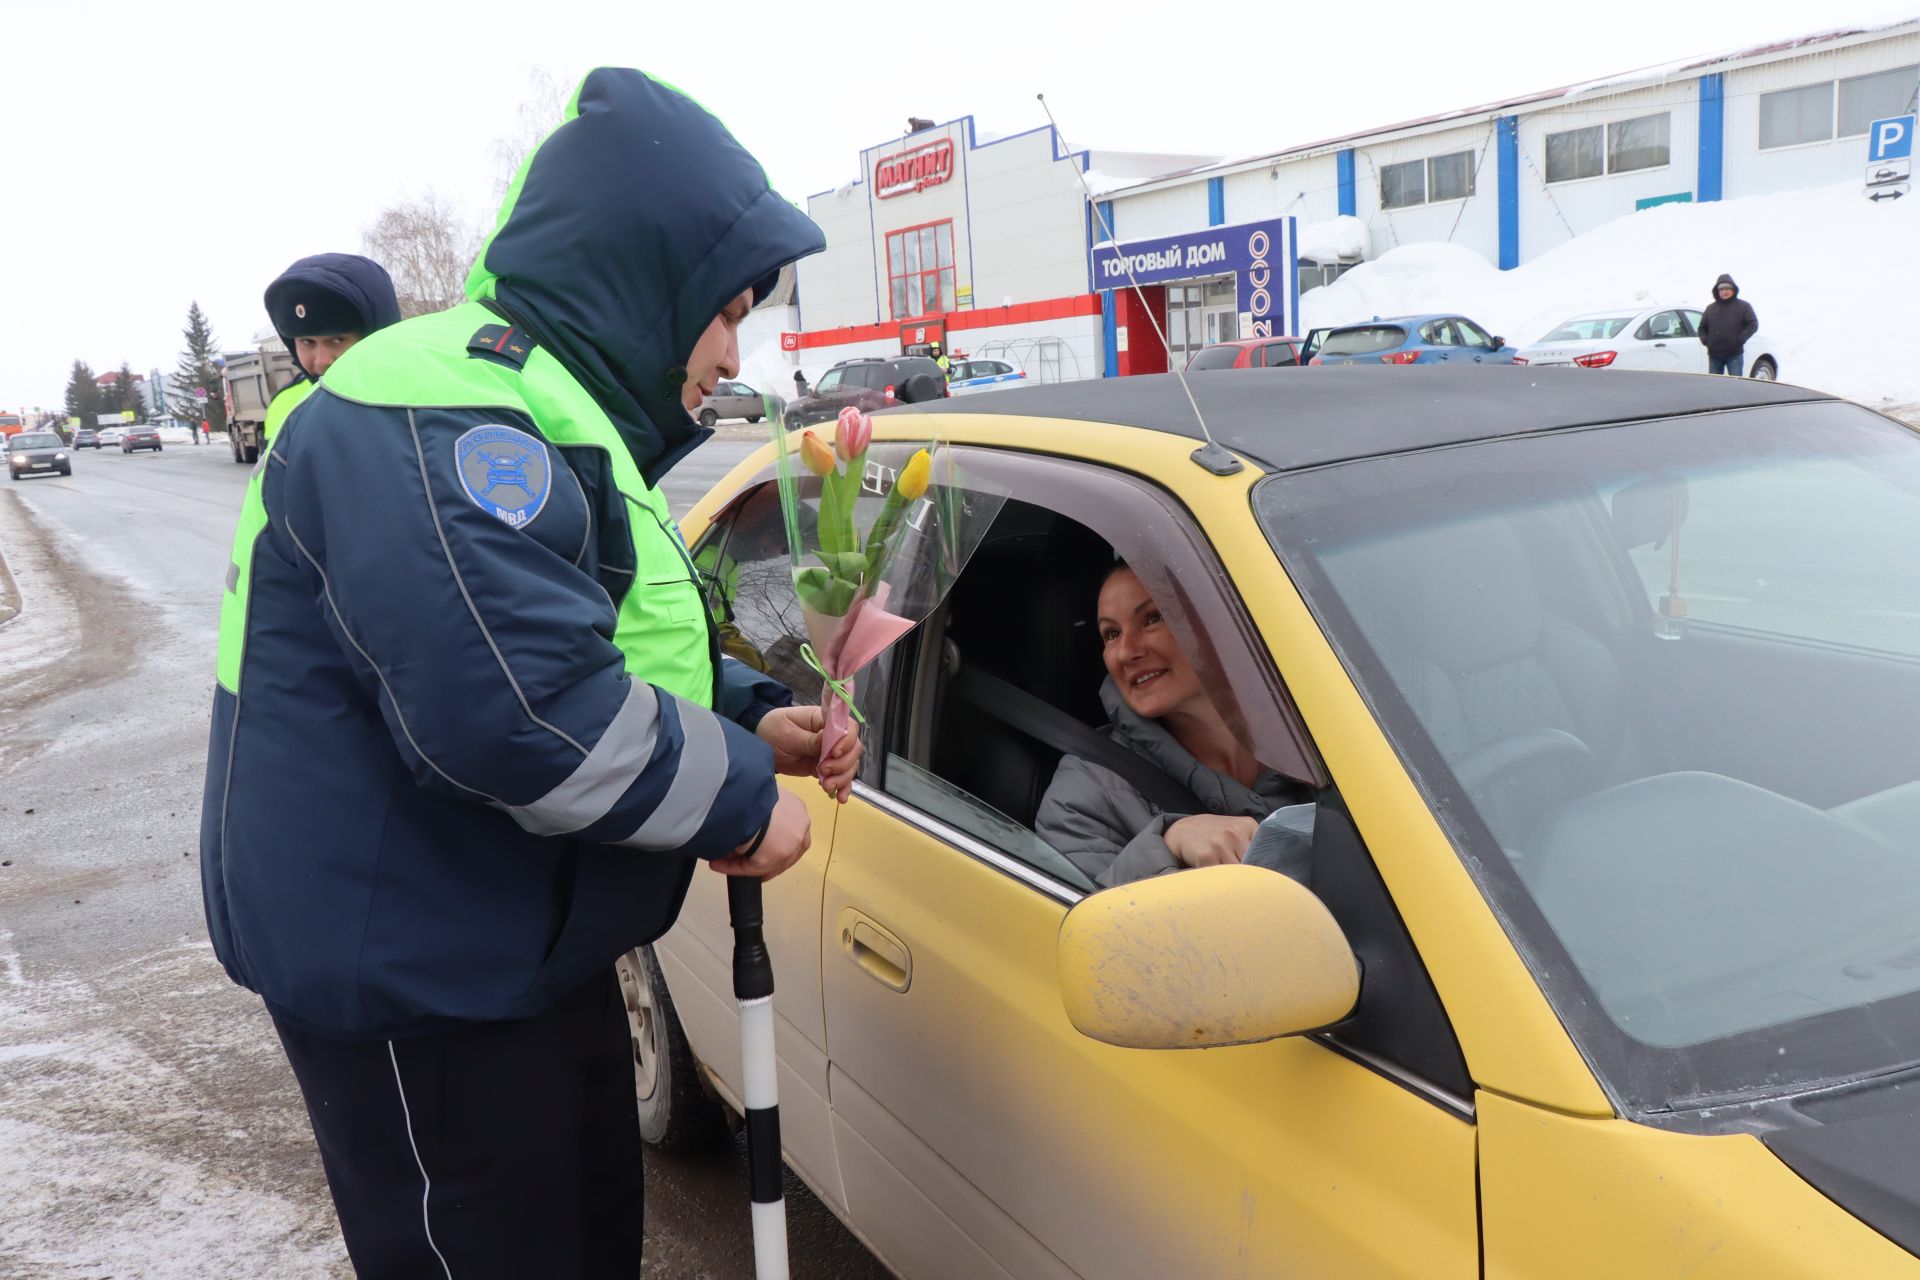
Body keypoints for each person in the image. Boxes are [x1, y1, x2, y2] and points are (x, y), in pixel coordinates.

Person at [200, 68, 847, 1278]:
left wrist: (754, 714)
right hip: (410, 969)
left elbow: (605, 637)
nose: (733, 348)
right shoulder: (438, 413)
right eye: (725, 309)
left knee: (585, 1240)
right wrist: (741, 799)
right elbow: (525, 713)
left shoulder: (539, 409)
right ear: (647, 278)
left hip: (506, 936)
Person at [1035, 562, 1305, 888]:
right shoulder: (1083, 791)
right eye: (1112, 634)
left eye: (1152, 618)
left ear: (1216, 624)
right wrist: (1167, 845)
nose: (1126, 652)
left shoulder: (1324, 734)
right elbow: (1081, 925)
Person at [260, 254, 402, 442]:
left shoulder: (416, 397)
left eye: (338, 340)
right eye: (307, 342)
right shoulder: (285, 403)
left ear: (377, 334)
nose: (322, 361)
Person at [1698, 273, 1758, 377]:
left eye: (1727, 288)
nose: (1724, 291)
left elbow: (1753, 324)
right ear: (1717, 291)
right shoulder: (1710, 308)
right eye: (1721, 289)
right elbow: (1702, 328)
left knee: (1736, 385)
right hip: (1714, 355)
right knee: (1715, 385)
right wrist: (1706, 341)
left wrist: (1741, 339)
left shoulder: (1744, 306)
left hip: (1734, 355)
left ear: (1733, 289)